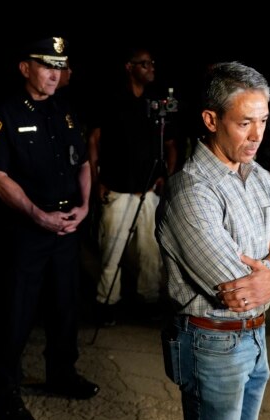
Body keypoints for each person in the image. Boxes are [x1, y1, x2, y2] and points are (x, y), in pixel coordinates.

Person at [155, 61, 270, 420]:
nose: (257, 135)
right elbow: (237, 290)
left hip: (255, 338)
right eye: (244, 123)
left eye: (263, 121)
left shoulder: (260, 178)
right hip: (212, 344)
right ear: (211, 120)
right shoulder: (191, 192)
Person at [0, 36, 99, 420]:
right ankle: (5, 388)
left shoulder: (64, 112)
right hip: (26, 232)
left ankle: (61, 373)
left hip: (67, 228)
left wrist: (85, 205)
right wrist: (35, 214)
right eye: (46, 64)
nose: (54, 72)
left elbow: (82, 161)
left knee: (65, 305)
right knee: (17, 310)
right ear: (24, 68)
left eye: (59, 65)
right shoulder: (5, 114)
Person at [88, 47, 177, 325]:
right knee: (111, 250)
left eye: (152, 63)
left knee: (150, 251)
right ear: (129, 67)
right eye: (144, 64)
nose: (151, 68)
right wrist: (95, 181)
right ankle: (106, 302)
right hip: (116, 189)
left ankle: (147, 300)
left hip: (148, 191)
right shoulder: (112, 99)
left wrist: (166, 176)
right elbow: (93, 140)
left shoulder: (158, 102)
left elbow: (171, 144)